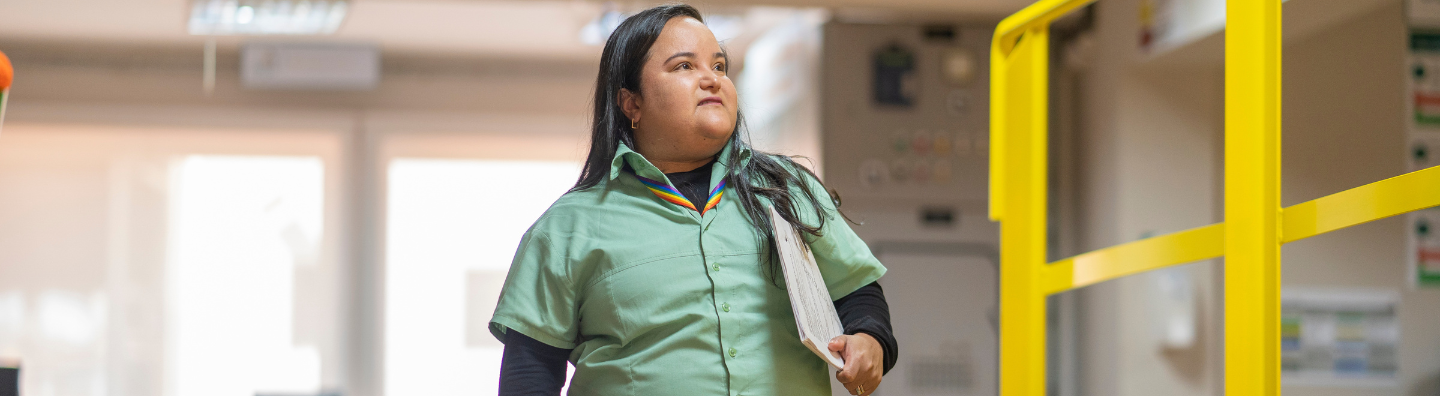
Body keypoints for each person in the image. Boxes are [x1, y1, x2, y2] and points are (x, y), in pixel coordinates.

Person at [489, 5, 896, 395]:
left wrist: (870, 339)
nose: (712, 79)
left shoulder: (784, 189)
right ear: (632, 103)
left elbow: (855, 290)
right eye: (684, 66)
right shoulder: (566, 227)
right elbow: (530, 373)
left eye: (719, 66)